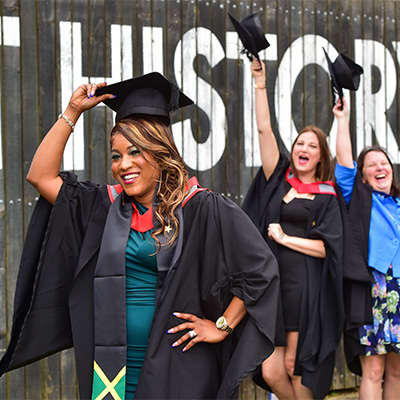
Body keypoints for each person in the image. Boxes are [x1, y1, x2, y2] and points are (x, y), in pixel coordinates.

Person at [0, 72, 280, 400]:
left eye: (135, 152)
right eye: (116, 155)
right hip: (113, 367)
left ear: (159, 153)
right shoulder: (105, 207)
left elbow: (260, 271)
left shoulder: (201, 206)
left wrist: (221, 326)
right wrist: (72, 112)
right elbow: (40, 175)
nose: (123, 164)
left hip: (179, 366)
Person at [242, 59, 344, 400]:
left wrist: (286, 238)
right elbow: (264, 131)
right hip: (273, 288)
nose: (303, 149)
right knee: (271, 369)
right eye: (300, 143)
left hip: (304, 291)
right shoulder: (277, 179)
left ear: (320, 157)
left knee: (295, 368)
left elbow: (327, 249)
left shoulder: (327, 196)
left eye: (312, 146)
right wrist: (259, 83)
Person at [333, 97, 400, 400]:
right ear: (363, 176)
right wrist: (343, 119)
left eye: (384, 162)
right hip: (372, 290)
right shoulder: (358, 197)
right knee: (373, 370)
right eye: (371, 165)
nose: (379, 167)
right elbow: (345, 163)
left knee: (397, 371)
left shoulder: (398, 203)